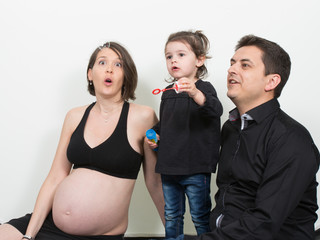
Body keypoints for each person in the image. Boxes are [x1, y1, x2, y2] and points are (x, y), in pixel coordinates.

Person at [0, 41, 165, 240]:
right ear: (90, 73)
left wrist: (174, 233)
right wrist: (28, 235)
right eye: (102, 63)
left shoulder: (143, 117)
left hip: (99, 235)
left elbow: (155, 182)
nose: (110, 69)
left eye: (118, 65)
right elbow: (55, 177)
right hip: (49, 223)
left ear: (126, 75)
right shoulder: (74, 116)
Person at [197, 35, 320, 240]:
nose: (232, 70)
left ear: (271, 81)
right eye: (232, 63)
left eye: (245, 65)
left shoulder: (291, 139)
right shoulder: (231, 127)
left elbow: (264, 223)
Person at [147, 30, 223, 240]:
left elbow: (215, 111)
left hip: (195, 167)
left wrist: (195, 93)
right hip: (170, 166)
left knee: (200, 215)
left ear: (199, 60)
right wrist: (156, 135)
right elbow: (169, 122)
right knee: (172, 214)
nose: (173, 60)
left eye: (181, 55)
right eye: (169, 56)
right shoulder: (168, 91)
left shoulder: (204, 89)